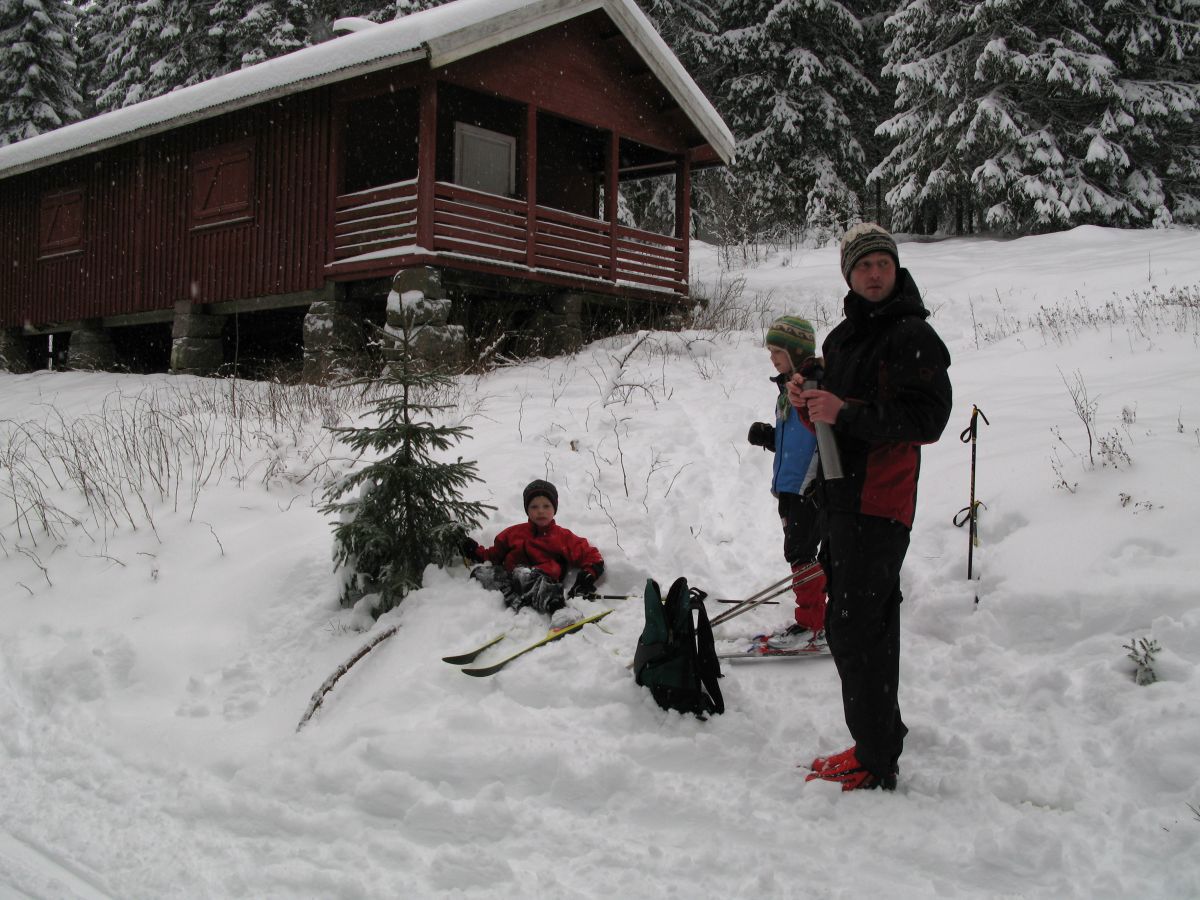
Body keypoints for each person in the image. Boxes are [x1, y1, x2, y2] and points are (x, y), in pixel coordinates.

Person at [789, 223, 952, 792]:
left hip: (881, 503)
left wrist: (845, 410)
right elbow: (830, 419)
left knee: (859, 629)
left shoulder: (912, 335)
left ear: (896, 267)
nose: (874, 273)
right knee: (855, 627)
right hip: (839, 499)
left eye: (882, 263)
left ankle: (876, 756)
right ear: (849, 276)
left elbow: (927, 419)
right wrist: (807, 403)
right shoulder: (841, 339)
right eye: (863, 266)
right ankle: (879, 737)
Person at [746, 316, 827, 649]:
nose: (772, 358)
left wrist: (820, 482)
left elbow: (825, 438)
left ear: (795, 352)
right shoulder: (787, 391)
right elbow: (797, 438)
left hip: (809, 488)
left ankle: (813, 624)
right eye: (770, 351)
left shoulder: (812, 387)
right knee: (799, 552)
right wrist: (770, 437)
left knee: (801, 552)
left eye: (777, 351)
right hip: (790, 487)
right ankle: (818, 616)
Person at [461, 479, 605, 627]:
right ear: (527, 510)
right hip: (513, 583)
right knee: (481, 573)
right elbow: (493, 556)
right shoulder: (513, 533)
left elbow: (590, 555)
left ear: (554, 509)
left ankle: (559, 609)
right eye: (534, 506)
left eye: (546, 506)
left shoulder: (562, 536)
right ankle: (521, 607)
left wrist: (588, 575)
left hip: (543, 583)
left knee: (525, 574)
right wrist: (473, 550)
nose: (540, 511)